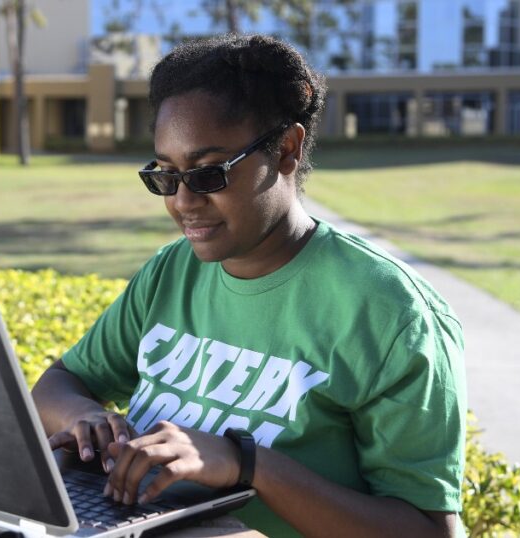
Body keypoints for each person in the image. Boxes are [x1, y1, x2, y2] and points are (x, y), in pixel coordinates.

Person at [32, 34, 467, 538]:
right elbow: (57, 383)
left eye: (209, 173)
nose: (182, 202)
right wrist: (87, 416)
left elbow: (430, 531)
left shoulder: (388, 311)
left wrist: (247, 464)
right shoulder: (172, 271)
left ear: (286, 149)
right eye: (166, 176)